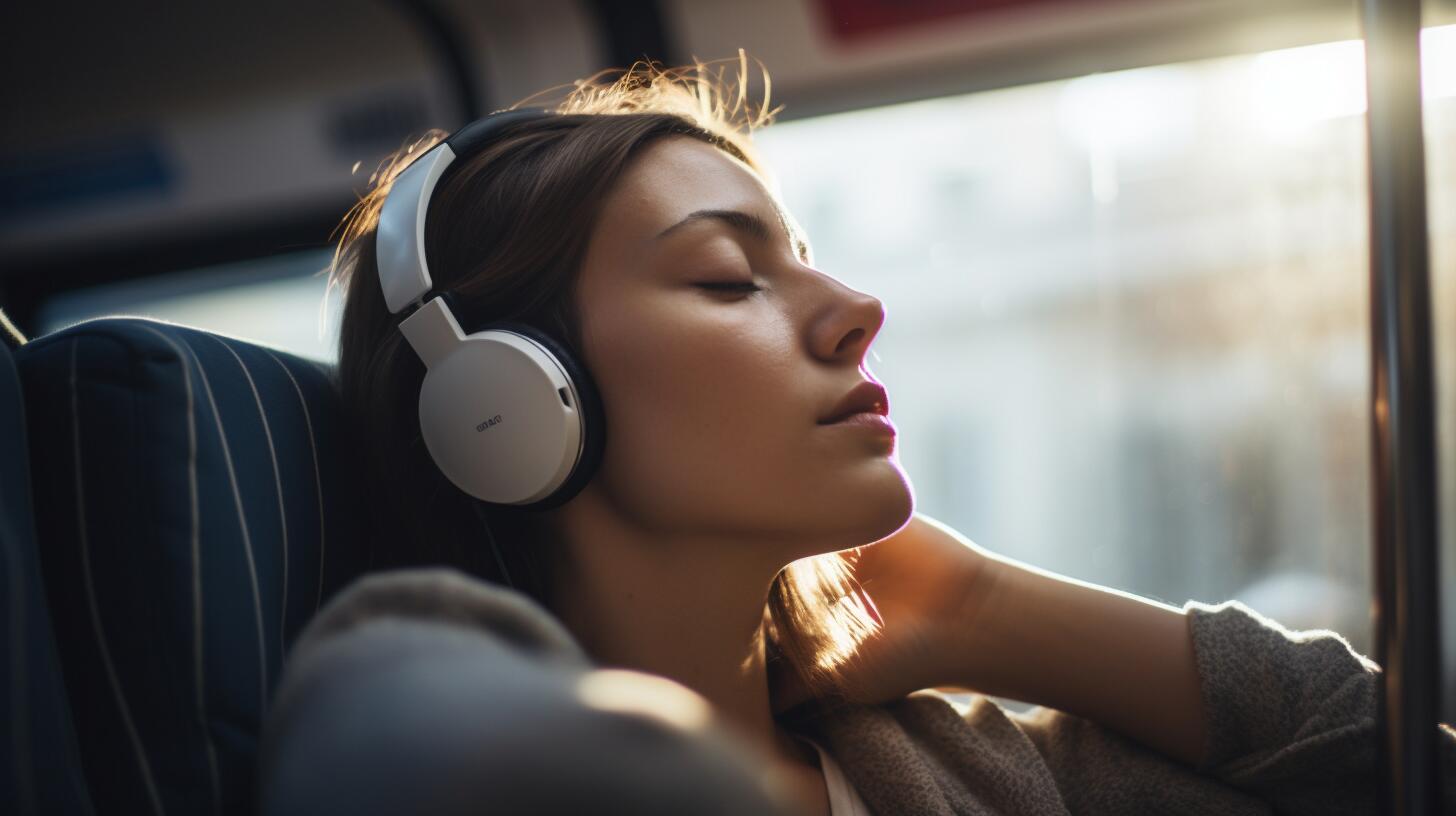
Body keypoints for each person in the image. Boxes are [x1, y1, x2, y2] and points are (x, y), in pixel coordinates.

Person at [260, 53, 1456, 815]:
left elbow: (1400, 766)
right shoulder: (411, 695)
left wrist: (985, 608)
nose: (856, 312)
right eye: (730, 279)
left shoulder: (970, 771)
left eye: (808, 263)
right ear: (506, 406)